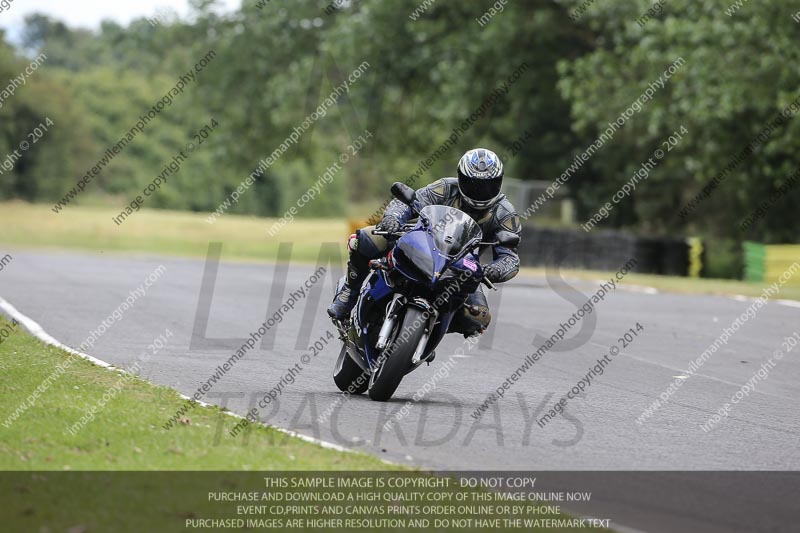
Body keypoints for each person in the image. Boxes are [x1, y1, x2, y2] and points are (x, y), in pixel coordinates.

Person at [327, 148, 522, 336]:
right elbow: (408, 202)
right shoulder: (445, 188)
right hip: (421, 242)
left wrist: (495, 269)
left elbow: (510, 258)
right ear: (461, 178)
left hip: (460, 265)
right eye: (473, 183)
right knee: (367, 238)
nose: (480, 191)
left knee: (479, 318)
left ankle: (428, 330)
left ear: (499, 182)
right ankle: (349, 291)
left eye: (488, 185)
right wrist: (393, 219)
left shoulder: (505, 213)